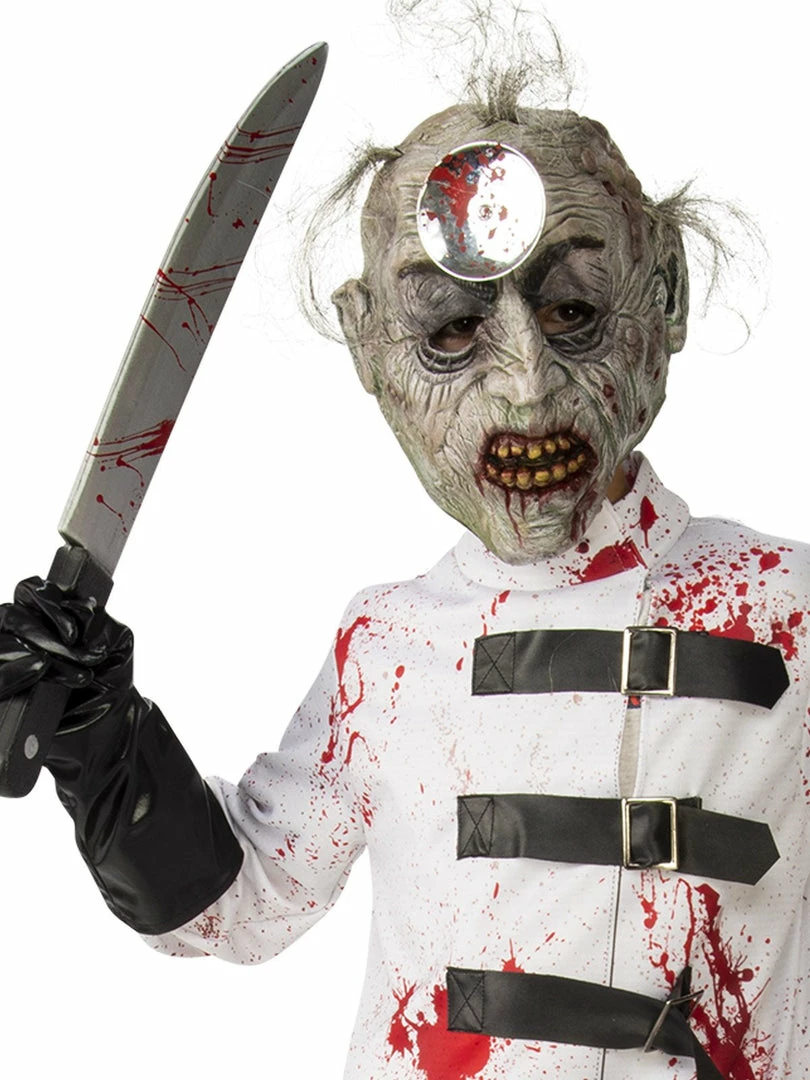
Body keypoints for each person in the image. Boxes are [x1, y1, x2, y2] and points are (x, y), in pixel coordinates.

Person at [0, 86, 806, 1080]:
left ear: (664, 292)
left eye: (573, 311)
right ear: (370, 345)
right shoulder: (388, 648)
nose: (526, 385)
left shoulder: (785, 608)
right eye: (452, 330)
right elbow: (242, 906)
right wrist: (99, 741)